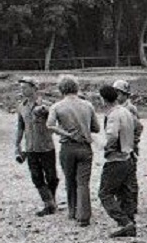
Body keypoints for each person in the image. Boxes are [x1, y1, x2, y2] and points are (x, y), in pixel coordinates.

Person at [47, 74, 100, 227]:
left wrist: (66, 133)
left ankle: (72, 211)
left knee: (70, 180)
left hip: (67, 147)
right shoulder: (88, 105)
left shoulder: (57, 107)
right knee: (83, 182)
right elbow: (96, 128)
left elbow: (50, 125)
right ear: (76, 88)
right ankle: (84, 215)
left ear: (61, 89)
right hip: (85, 147)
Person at [12, 77, 58, 216]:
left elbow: (55, 120)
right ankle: (48, 203)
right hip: (30, 147)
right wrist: (17, 144)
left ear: (34, 88)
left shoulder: (45, 105)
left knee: (51, 177)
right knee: (36, 176)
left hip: (46, 146)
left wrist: (47, 111)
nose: (22, 90)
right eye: (21, 87)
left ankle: (51, 201)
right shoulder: (21, 106)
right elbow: (21, 127)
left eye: (25, 87)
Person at [97, 84, 138, 238]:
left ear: (103, 99)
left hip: (116, 159)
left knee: (105, 193)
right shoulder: (126, 111)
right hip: (128, 156)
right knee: (125, 193)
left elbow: (112, 135)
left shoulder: (113, 114)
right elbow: (137, 127)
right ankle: (130, 223)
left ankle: (124, 221)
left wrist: (103, 145)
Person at [112, 80, 142, 223]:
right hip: (120, 147)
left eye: (119, 93)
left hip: (128, 147)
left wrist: (133, 142)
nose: (117, 95)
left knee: (130, 178)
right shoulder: (116, 108)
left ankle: (132, 205)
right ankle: (123, 203)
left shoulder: (130, 109)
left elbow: (138, 128)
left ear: (125, 94)